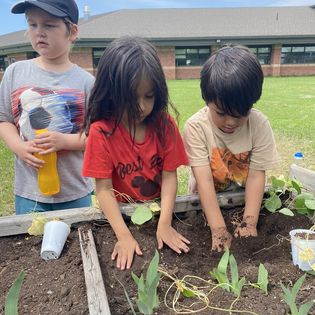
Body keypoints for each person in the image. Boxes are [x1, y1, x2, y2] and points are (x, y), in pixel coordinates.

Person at [82, 36, 190, 270]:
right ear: (111, 92)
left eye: (149, 96)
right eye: (131, 97)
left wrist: (165, 223)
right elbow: (103, 189)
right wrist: (123, 235)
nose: (141, 106)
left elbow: (170, 176)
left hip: (159, 208)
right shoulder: (101, 132)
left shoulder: (165, 125)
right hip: (122, 213)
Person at [0, 0, 94, 214]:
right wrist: (18, 146)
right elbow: (4, 119)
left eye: (49, 25)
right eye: (32, 25)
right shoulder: (15, 72)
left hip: (74, 190)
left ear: (72, 32)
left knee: (78, 240)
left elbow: (98, 135)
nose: (39, 32)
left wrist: (65, 141)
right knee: (30, 243)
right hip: (29, 191)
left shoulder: (86, 82)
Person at [183, 45, 280, 251]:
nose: (230, 122)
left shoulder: (259, 124)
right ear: (206, 99)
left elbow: (256, 175)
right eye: (221, 113)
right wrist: (218, 230)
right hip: (204, 199)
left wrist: (249, 223)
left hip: (242, 197)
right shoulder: (196, 127)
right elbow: (205, 181)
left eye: (240, 115)